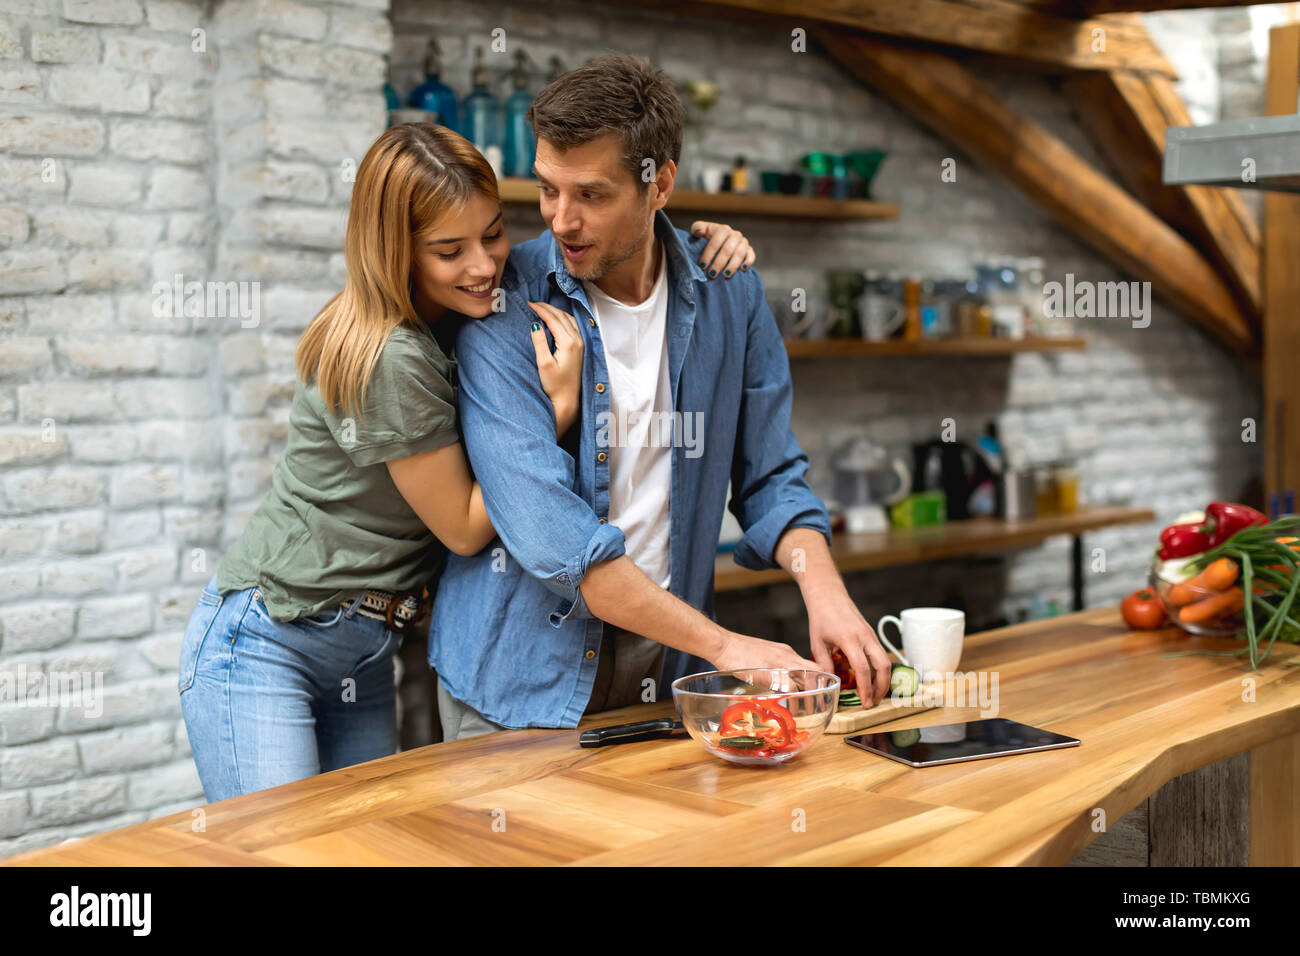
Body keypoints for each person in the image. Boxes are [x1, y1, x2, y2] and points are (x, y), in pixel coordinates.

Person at [176, 121, 757, 801]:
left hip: (365, 648)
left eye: (491, 234)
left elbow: (622, 242)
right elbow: (464, 528)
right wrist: (557, 413)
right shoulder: (390, 354)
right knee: (280, 854)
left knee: (357, 849)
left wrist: (698, 240)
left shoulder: (464, 311)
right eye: (450, 250)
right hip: (269, 641)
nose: (483, 265)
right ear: (397, 251)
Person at [431, 54, 892, 740]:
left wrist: (826, 593)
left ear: (660, 184)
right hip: (518, 678)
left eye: (591, 195)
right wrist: (731, 650)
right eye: (549, 189)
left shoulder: (730, 293)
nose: (560, 220)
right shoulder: (502, 303)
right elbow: (557, 541)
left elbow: (771, 478)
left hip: (667, 662)